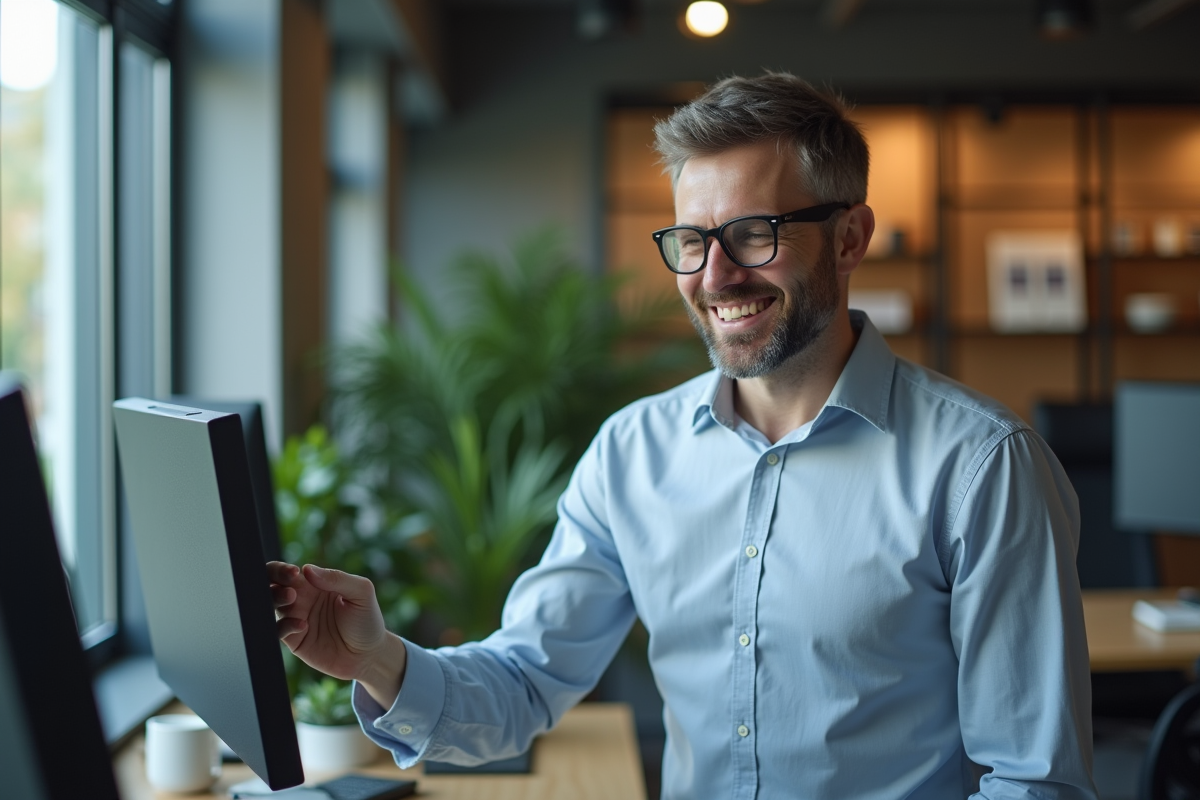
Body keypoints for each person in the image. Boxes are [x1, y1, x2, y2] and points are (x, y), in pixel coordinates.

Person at [270, 72, 1097, 799]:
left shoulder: (982, 467)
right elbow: (525, 684)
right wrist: (377, 659)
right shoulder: (632, 455)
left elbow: (1033, 780)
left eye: (753, 234)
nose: (714, 276)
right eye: (691, 242)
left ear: (850, 238)